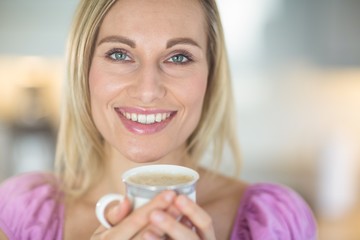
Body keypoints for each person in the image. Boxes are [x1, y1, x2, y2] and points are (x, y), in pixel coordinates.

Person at [0, 0, 317, 239]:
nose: (148, 91)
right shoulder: (18, 215)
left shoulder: (274, 221)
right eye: (120, 54)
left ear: (211, 76)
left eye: (179, 57)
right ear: (83, 70)